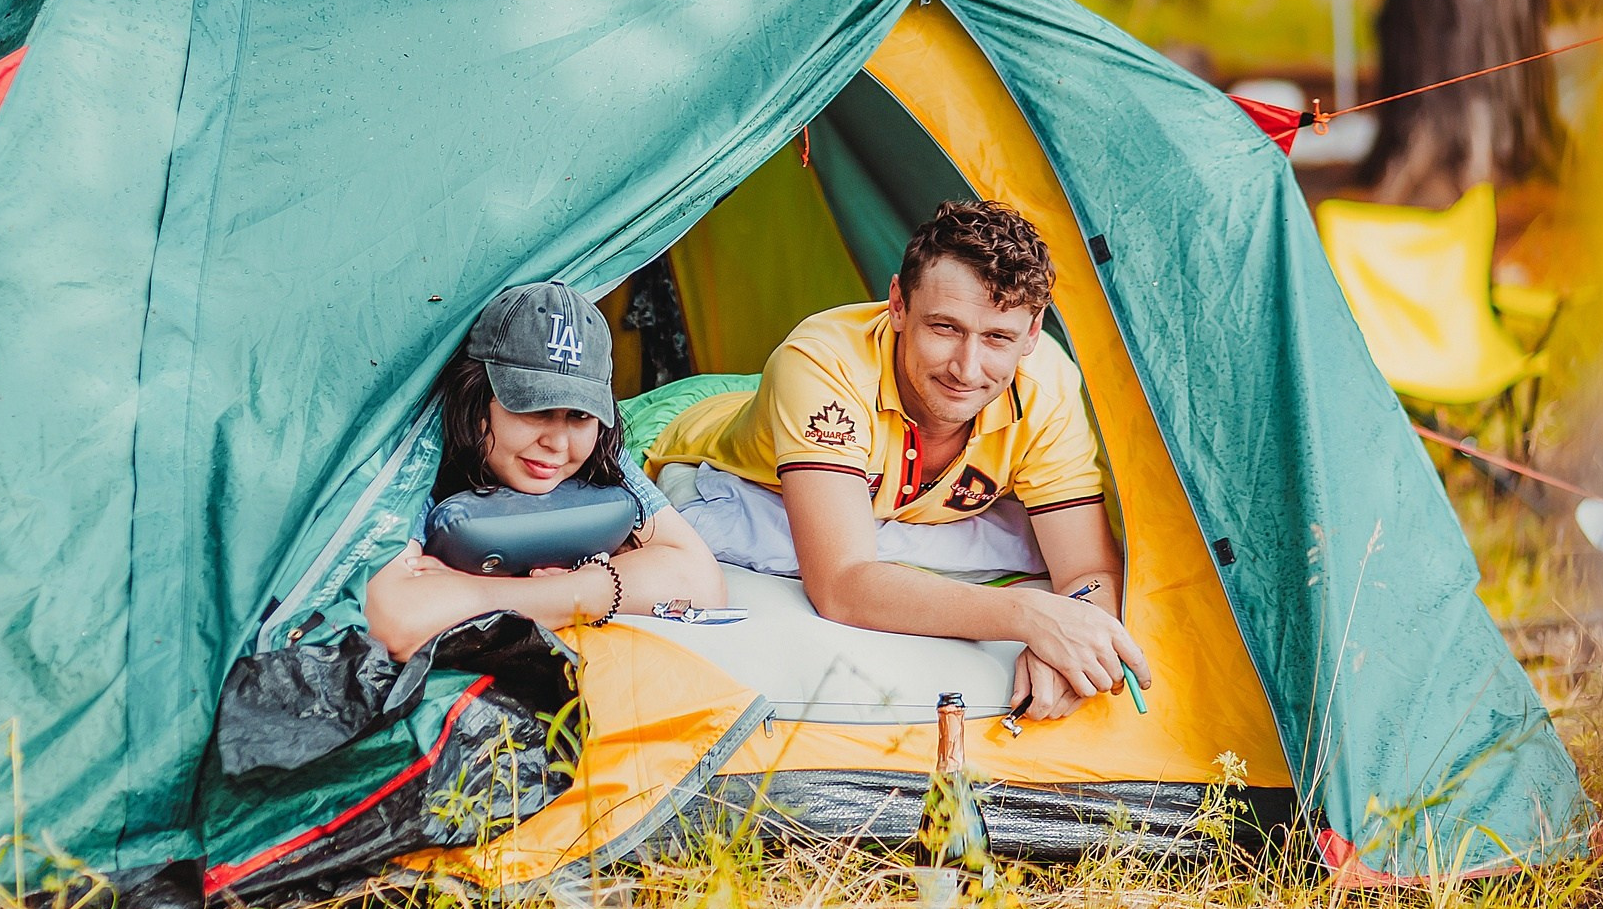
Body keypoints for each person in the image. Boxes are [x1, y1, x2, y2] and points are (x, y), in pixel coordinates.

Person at [648, 200, 1148, 720]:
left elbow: (1089, 568)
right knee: (721, 532)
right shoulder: (820, 361)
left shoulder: (1047, 384)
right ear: (899, 306)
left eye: (998, 337)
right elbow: (841, 584)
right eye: (945, 328)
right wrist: (1032, 616)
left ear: (1032, 332)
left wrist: (1076, 637)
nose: (967, 368)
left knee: (1038, 545)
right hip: (755, 490)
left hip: (921, 512)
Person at [366, 281, 727, 661]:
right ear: (474, 396)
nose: (557, 443)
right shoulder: (421, 452)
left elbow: (701, 582)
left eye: (579, 415)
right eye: (534, 410)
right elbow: (396, 621)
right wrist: (602, 587)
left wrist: (577, 590)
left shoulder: (598, 449)